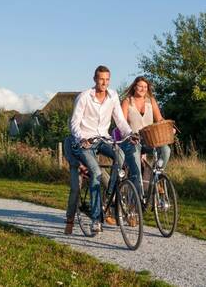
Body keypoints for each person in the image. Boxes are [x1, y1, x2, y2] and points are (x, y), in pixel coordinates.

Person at [70, 65, 133, 233]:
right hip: (86, 141)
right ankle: (96, 220)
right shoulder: (84, 97)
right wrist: (81, 138)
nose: (104, 82)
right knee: (96, 173)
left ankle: (110, 196)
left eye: (107, 79)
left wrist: (130, 134)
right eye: (101, 79)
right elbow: (74, 123)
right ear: (95, 79)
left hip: (103, 138)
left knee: (120, 155)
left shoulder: (113, 96)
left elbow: (120, 120)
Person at [120, 76, 171, 198]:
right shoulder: (127, 101)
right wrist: (129, 135)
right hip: (133, 141)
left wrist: (169, 127)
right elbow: (121, 122)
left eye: (145, 87)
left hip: (150, 139)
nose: (143, 89)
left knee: (166, 150)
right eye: (140, 86)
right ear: (134, 87)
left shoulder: (150, 101)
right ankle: (135, 201)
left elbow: (159, 119)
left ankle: (156, 176)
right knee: (136, 172)